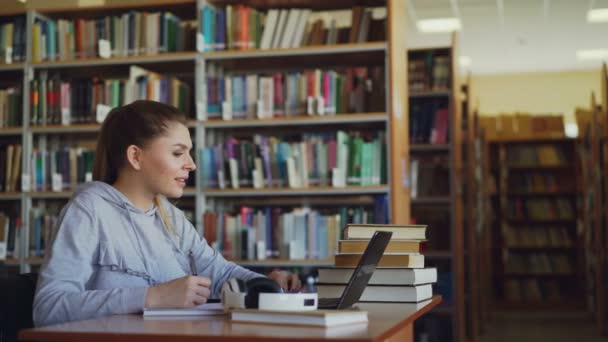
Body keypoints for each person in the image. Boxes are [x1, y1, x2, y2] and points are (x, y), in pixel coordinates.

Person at [33, 100, 301, 327]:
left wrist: (264, 284)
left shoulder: (169, 216)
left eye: (190, 154)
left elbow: (218, 273)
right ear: (136, 157)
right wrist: (152, 297)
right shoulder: (89, 210)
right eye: (178, 153)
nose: (192, 164)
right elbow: (48, 308)